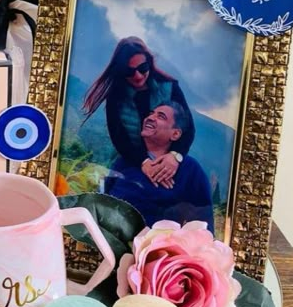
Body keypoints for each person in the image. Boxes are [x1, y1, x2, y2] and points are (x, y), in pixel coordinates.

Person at [83, 36, 195, 189]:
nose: (138, 76)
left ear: (149, 62)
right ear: (121, 70)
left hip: (168, 162)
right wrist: (144, 163)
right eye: (129, 71)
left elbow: (187, 127)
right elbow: (119, 138)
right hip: (131, 162)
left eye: (142, 68)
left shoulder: (169, 87)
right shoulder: (116, 97)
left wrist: (175, 156)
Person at [105, 102, 214, 231]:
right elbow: (104, 197)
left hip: (155, 246)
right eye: (151, 114)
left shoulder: (190, 170)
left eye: (161, 116)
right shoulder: (125, 161)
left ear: (175, 134)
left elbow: (203, 222)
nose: (150, 118)